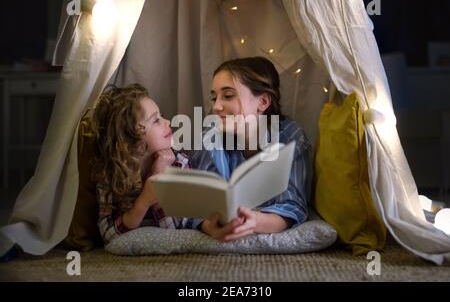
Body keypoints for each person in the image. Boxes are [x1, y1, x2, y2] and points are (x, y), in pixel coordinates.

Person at [192, 57, 312, 242]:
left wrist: (254, 221)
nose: (216, 106)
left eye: (228, 95)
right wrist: (211, 227)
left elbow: (292, 205)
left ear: (263, 101)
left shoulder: (290, 138)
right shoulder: (211, 135)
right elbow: (199, 203)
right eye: (214, 97)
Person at [91, 84, 201, 244]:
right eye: (156, 120)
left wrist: (158, 181)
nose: (167, 121)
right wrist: (143, 202)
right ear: (131, 143)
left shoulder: (179, 164)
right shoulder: (110, 173)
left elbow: (178, 232)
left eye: (161, 116)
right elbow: (108, 235)